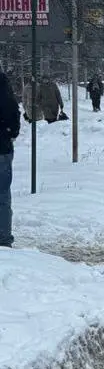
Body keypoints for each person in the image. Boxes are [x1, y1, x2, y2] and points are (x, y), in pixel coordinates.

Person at [0, 71, 20, 248]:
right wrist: (11, 134)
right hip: (2, 149)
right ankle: (4, 238)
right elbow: (14, 115)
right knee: (2, 195)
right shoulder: (5, 91)